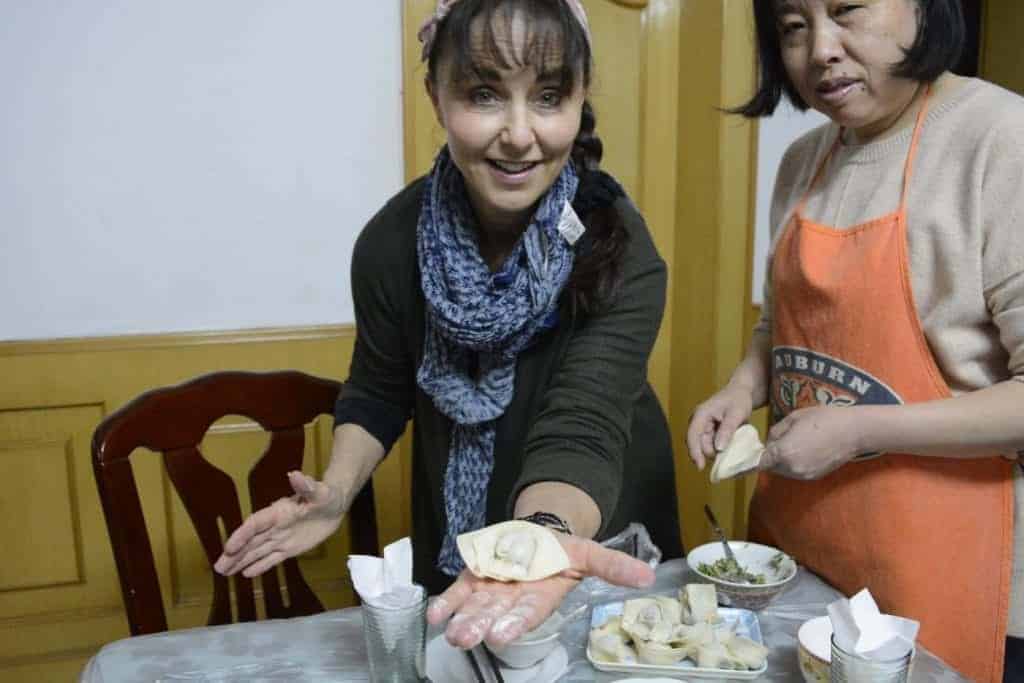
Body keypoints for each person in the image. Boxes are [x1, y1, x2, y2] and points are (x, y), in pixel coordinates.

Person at [215, 0, 683, 652]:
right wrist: (337, 489)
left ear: (581, 99)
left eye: (549, 96)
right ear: (436, 94)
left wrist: (539, 542)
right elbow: (377, 390)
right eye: (485, 93)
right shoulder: (390, 245)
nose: (520, 134)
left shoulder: (617, 247)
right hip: (462, 531)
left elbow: (582, 425)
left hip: (589, 527)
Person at [686, 1, 1024, 681]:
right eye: (792, 28)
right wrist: (742, 387)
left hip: (947, 569)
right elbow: (776, 328)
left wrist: (858, 430)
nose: (820, 50)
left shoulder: (999, 138)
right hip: (802, 561)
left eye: (847, 11)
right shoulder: (805, 160)